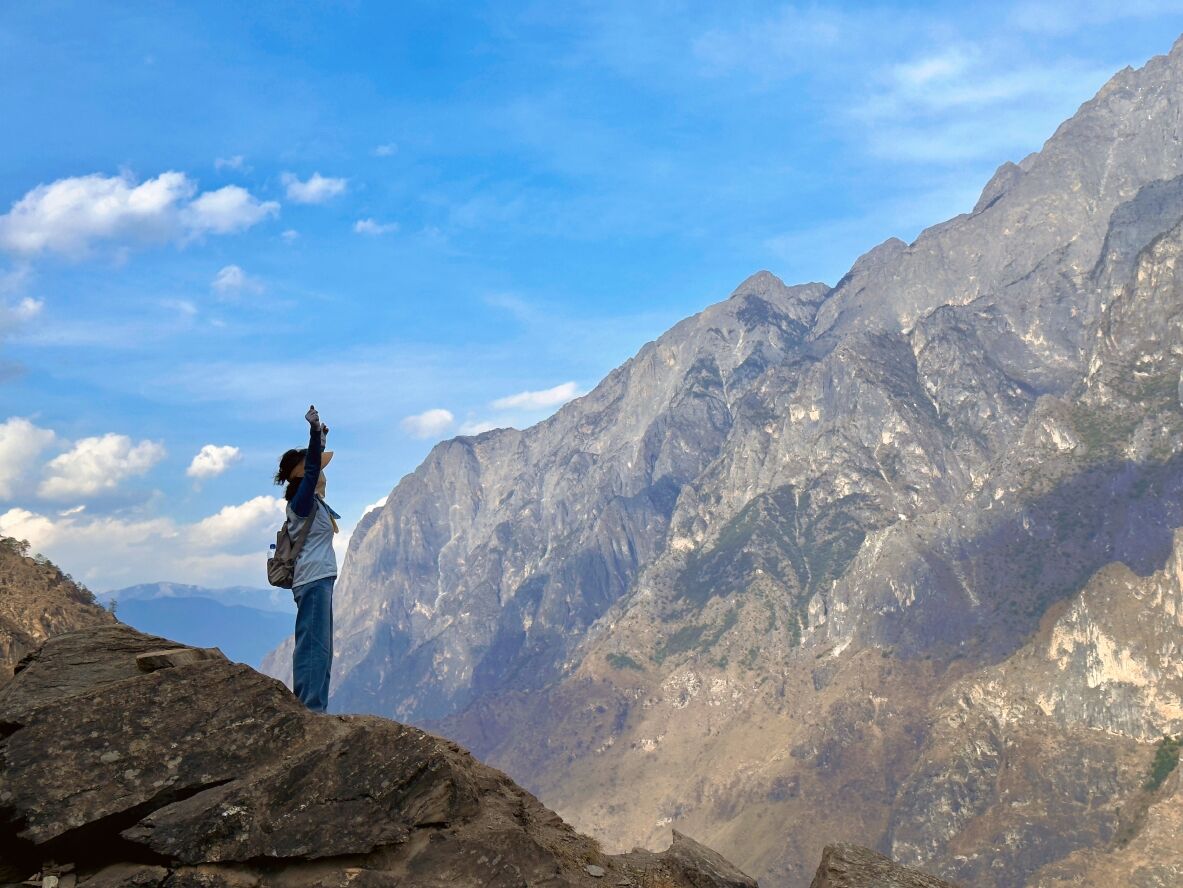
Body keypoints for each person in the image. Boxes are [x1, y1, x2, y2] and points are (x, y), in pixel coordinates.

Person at [273, 404, 340, 712]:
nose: (323, 474)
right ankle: (311, 709)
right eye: (318, 471)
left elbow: (313, 469)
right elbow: (312, 469)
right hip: (313, 580)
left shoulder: (313, 503)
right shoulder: (302, 504)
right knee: (314, 646)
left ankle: (317, 706)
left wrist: (320, 443)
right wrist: (315, 435)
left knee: (321, 647)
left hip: (320, 579)